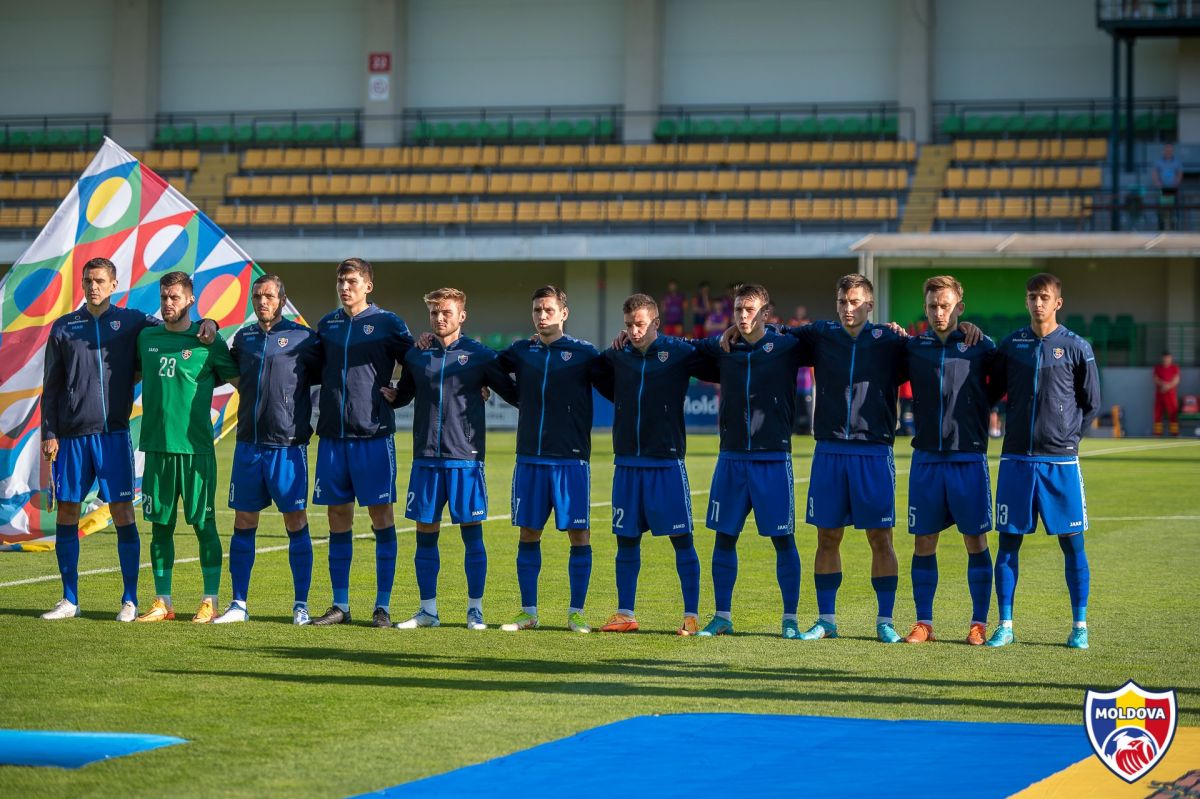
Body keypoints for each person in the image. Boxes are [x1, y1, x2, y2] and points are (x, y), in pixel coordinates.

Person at [39, 258, 215, 621]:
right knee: (69, 511)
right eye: (88, 280)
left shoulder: (133, 321)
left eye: (100, 280)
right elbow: (52, 387)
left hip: (114, 436)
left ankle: (130, 600)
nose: (93, 286)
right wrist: (50, 433)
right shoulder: (64, 327)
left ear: (114, 283)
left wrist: (208, 324)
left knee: (122, 513)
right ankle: (69, 599)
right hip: (71, 438)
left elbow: (176, 325)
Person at [783, 275, 910, 644]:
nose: (848, 308)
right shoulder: (821, 335)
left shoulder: (889, 341)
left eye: (855, 301)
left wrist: (964, 328)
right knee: (827, 537)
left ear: (870, 305)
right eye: (842, 301)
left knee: (880, 538)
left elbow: (934, 346)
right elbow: (771, 336)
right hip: (830, 449)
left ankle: (885, 620)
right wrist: (735, 330)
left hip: (874, 450)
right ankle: (827, 620)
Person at [390, 288, 519, 631]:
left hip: (466, 458)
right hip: (426, 458)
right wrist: (376, 391)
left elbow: (515, 394)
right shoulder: (417, 356)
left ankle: (475, 610)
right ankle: (427, 611)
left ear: (462, 316)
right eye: (435, 313)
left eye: (447, 312)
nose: (440, 318)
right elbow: (402, 396)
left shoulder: (479, 356)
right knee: (424, 532)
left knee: (471, 534)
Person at [592, 293, 718, 635]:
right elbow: (594, 372)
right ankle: (625, 614)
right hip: (627, 464)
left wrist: (734, 333)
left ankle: (691, 615)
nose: (634, 331)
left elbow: (715, 354)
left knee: (682, 539)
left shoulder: (678, 352)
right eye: (629, 325)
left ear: (656, 324)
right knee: (626, 539)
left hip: (666, 463)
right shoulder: (617, 357)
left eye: (641, 324)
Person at [986, 273, 1100, 649]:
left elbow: (1091, 402)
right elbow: (992, 392)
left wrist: (1069, 441)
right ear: (1027, 301)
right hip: (1017, 459)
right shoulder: (1011, 345)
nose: (1038, 303)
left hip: (1060, 464)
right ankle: (1005, 624)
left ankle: (1079, 626)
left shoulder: (1076, 347)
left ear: (1058, 303)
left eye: (1045, 297)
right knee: (1008, 544)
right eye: (1033, 296)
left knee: (1073, 545)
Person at [693, 284, 809, 638]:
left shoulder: (788, 346)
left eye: (751, 310)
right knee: (724, 537)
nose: (744, 317)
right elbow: (679, 351)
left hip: (772, 458)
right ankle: (722, 616)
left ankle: (790, 619)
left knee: (783, 540)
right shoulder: (722, 349)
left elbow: (832, 336)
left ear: (766, 314)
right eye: (739, 310)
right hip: (730, 457)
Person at [214, 274, 323, 625]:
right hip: (248, 444)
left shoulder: (304, 338)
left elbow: (334, 373)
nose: (262, 301)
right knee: (244, 521)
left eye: (269, 296)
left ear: (282, 300)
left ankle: (300, 605)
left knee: (295, 521)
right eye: (257, 296)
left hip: (288, 446)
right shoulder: (243, 338)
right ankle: (238, 604)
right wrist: (208, 326)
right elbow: (223, 368)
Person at [310, 258, 413, 628]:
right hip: (333, 439)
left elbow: (415, 363)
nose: (345, 287)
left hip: (373, 435)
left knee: (381, 517)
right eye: (341, 281)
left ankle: (382, 606)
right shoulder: (328, 325)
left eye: (352, 281)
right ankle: (340, 605)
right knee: (337, 517)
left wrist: (399, 396)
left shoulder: (388, 323)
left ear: (368, 285)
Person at [495, 286, 604, 634]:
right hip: (529, 458)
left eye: (548, 310)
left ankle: (576, 613)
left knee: (579, 534)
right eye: (537, 310)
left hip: (571, 460)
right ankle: (528, 613)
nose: (542, 316)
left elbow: (616, 382)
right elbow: (488, 369)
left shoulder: (584, 353)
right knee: (529, 533)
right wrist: (515, 397)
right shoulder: (521, 351)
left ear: (563, 314)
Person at [134, 271, 240, 623]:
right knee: (159, 526)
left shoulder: (208, 341)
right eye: (164, 297)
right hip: (157, 449)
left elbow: (243, 383)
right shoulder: (146, 337)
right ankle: (162, 601)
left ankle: (210, 600)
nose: (168, 303)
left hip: (196, 451)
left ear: (190, 300)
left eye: (175, 298)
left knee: (203, 525)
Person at [901, 276, 999, 646]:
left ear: (960, 307)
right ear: (925, 308)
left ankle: (978, 623)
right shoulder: (912, 347)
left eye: (945, 305)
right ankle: (924, 622)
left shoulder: (979, 346)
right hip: (926, 458)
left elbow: (1001, 384)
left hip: (967, 458)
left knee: (975, 540)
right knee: (923, 541)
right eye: (932, 306)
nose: (938, 312)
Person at [1151, 143, 1184, 230]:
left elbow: (1179, 174)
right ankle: (1161, 229)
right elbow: (1154, 174)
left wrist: (1176, 184)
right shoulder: (1159, 162)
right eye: (1167, 150)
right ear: (1164, 151)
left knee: (1173, 209)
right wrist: (1158, 183)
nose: (1168, 152)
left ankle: (1174, 229)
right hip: (1162, 189)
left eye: (1170, 150)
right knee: (1162, 210)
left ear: (1172, 151)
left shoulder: (1177, 162)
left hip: (1173, 189)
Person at [1153, 351, 1181, 437]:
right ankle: (1157, 434)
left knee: (1173, 415)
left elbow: (1176, 379)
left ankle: (1174, 434)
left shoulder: (1174, 368)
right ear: (1163, 358)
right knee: (1157, 415)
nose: (1166, 359)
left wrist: (1168, 386)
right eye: (1165, 357)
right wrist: (1162, 384)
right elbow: (1155, 379)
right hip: (1160, 395)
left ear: (1171, 358)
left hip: (1171, 396)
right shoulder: (1158, 368)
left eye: (1168, 357)